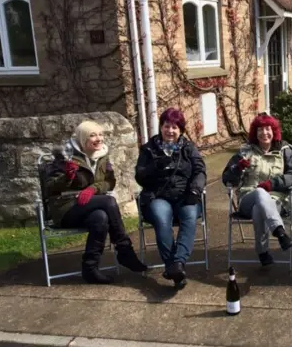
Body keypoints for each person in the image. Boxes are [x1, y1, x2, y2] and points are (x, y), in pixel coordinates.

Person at [46, 120, 147, 284]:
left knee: (100, 218)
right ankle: (125, 251)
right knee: (109, 202)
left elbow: (110, 182)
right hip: (66, 208)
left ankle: (90, 269)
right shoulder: (65, 157)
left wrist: (93, 189)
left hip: (90, 206)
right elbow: (49, 188)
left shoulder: (102, 155)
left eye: (100, 134)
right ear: (82, 139)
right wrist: (68, 177)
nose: (99, 139)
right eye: (93, 135)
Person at [135, 107, 206, 287]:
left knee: (190, 216)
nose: (170, 131)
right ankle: (173, 268)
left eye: (175, 127)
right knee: (161, 218)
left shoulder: (188, 148)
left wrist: (195, 190)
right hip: (158, 196)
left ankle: (178, 263)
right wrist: (156, 166)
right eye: (167, 126)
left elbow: (200, 171)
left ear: (180, 130)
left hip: (185, 195)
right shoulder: (149, 149)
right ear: (161, 127)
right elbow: (140, 176)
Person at [222, 113, 292, 266]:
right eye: (260, 129)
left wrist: (273, 184)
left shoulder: (285, 150)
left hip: (277, 200)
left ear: (274, 131)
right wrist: (238, 168)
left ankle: (263, 253)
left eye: (267, 129)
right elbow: (227, 178)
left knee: (259, 209)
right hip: (247, 198)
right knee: (260, 193)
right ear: (255, 133)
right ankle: (280, 232)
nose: (264, 133)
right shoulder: (245, 151)